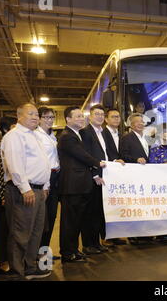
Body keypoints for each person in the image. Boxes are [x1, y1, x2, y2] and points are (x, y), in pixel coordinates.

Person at [1, 103, 51, 280]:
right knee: (20, 232)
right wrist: (24, 188)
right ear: (19, 115)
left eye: (37, 114)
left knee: (35, 232)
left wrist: (44, 186)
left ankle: (29, 266)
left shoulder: (34, 136)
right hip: (23, 190)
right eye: (30, 114)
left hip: (37, 190)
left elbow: (43, 162)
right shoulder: (14, 136)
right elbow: (15, 164)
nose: (35, 117)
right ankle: (17, 271)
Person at [58, 106, 105, 263]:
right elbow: (82, 155)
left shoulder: (76, 134)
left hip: (80, 185)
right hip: (72, 186)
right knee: (69, 222)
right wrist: (98, 163)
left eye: (81, 116)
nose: (81, 118)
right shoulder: (67, 136)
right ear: (68, 119)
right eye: (77, 116)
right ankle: (67, 252)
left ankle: (73, 250)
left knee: (76, 221)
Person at [80, 104, 113, 253]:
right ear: (90, 117)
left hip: (105, 176)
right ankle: (88, 245)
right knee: (90, 212)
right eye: (96, 114)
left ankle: (97, 243)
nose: (100, 116)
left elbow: (107, 153)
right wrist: (94, 174)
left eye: (101, 114)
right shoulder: (85, 132)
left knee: (99, 211)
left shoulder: (104, 132)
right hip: (94, 177)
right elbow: (86, 155)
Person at [0, 116, 17, 275]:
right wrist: (2, 195)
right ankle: (2, 260)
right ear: (6, 129)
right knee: (3, 228)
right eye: (14, 126)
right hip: (3, 194)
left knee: (15, 229)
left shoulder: (17, 144)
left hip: (16, 192)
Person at [120, 113, 152, 244]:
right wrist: (136, 159)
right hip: (134, 176)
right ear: (132, 125)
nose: (140, 124)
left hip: (146, 176)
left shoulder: (147, 138)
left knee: (145, 206)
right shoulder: (127, 138)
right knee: (135, 206)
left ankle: (145, 233)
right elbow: (123, 155)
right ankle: (133, 235)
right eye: (137, 122)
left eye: (142, 122)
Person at [34, 107, 61, 259]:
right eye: (46, 117)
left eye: (51, 117)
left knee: (51, 217)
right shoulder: (36, 135)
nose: (49, 120)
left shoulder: (52, 136)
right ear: (39, 118)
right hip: (45, 177)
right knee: (41, 218)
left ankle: (44, 250)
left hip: (56, 176)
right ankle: (37, 252)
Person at [102, 109, 127, 246]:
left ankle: (114, 235)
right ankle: (105, 236)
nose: (117, 119)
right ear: (106, 119)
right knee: (105, 206)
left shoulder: (121, 134)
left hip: (119, 176)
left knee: (116, 205)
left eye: (118, 117)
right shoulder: (102, 133)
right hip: (106, 174)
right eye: (113, 117)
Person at [148, 124, 167, 242]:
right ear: (159, 133)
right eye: (165, 132)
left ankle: (166, 232)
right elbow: (151, 162)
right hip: (157, 181)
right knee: (158, 206)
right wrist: (165, 164)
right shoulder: (154, 146)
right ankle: (158, 232)